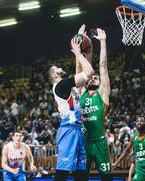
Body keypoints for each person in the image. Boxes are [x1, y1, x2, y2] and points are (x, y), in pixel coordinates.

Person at [43, 24, 95, 181]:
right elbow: (90, 72)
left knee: (81, 173)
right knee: (63, 172)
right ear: (54, 74)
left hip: (77, 130)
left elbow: (79, 71)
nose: (60, 68)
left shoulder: (65, 85)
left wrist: (79, 43)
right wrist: (79, 53)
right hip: (69, 130)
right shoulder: (60, 85)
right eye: (57, 67)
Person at [78, 27, 112, 181]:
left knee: (106, 177)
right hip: (84, 141)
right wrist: (79, 46)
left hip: (99, 142)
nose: (93, 78)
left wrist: (103, 42)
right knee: (81, 177)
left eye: (96, 78)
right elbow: (82, 70)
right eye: (92, 78)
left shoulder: (103, 94)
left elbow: (103, 67)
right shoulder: (81, 93)